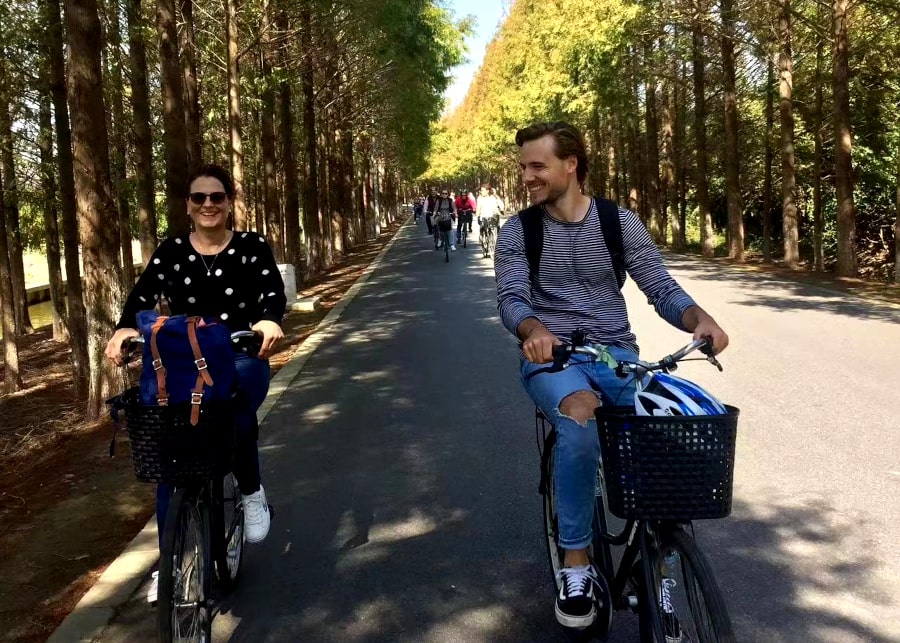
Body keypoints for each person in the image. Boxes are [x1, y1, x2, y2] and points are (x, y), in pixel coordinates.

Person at [494, 122, 728, 630]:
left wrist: (699, 320)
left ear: (571, 164)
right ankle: (576, 564)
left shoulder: (619, 223)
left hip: (617, 356)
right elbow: (512, 299)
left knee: (673, 419)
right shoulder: (518, 231)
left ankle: (665, 539)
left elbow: (659, 286)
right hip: (553, 359)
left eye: (537, 166)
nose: (526, 177)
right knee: (579, 423)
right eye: (523, 167)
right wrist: (534, 330)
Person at [104, 163, 286, 602]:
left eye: (217, 197)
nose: (209, 205)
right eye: (200, 198)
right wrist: (125, 330)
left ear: (229, 203)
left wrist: (268, 320)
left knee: (234, 407)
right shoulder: (170, 253)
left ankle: (250, 488)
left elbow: (272, 294)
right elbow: (141, 298)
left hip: (240, 355)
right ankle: (169, 564)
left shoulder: (251, 247)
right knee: (172, 460)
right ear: (188, 205)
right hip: (182, 367)